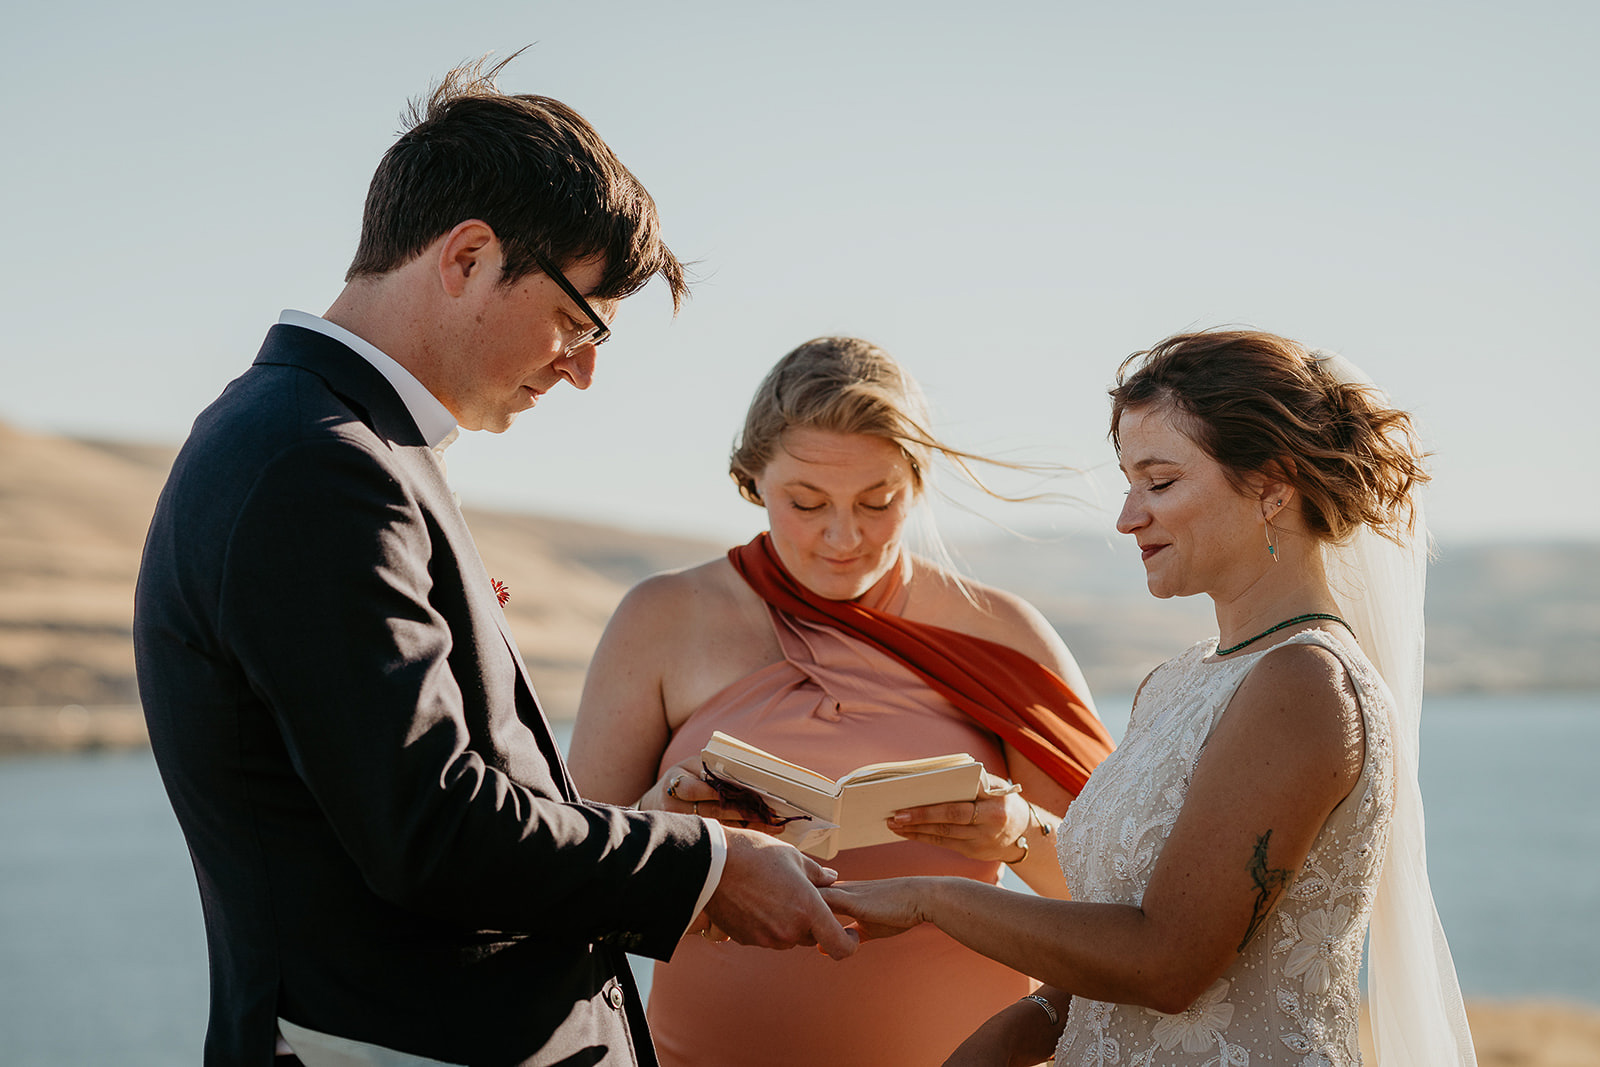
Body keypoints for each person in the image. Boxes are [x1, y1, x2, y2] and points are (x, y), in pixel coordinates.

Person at [133, 55, 856, 1067]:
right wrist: (706, 866)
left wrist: (639, 825)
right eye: (575, 320)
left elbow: (426, 794)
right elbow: (428, 828)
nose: (583, 369)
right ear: (466, 256)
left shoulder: (331, 442)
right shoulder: (317, 464)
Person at [822, 329, 1477, 1066]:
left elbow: (1166, 960)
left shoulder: (1307, 685)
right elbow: (1125, 910)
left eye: (1160, 483)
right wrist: (1030, 1019)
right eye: (1128, 483)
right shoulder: (1175, 683)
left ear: (1271, 485)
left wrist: (931, 898)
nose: (1128, 517)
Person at [568, 336, 1115, 1067]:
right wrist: (659, 824)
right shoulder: (661, 618)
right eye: (806, 501)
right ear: (750, 478)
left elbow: (1120, 902)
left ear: (917, 485)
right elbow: (567, 876)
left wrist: (1019, 830)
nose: (843, 536)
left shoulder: (1002, 631)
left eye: (878, 501)